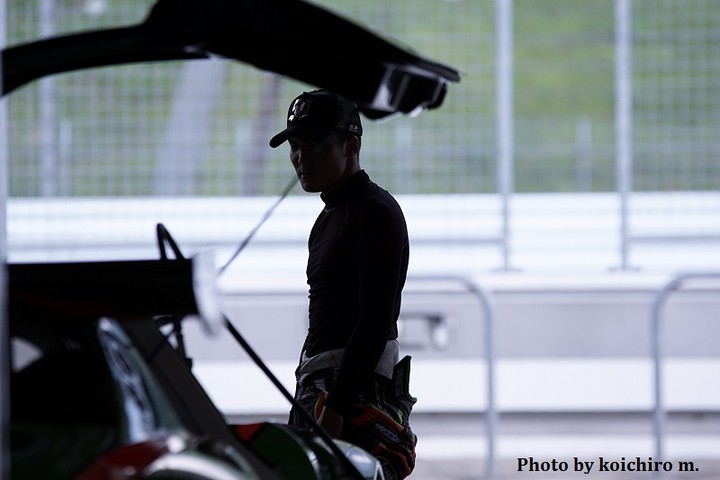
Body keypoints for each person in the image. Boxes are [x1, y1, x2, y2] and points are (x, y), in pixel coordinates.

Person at [269, 89, 417, 479]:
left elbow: (375, 322)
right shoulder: (331, 215)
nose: (301, 158)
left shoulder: (374, 212)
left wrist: (335, 408)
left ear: (352, 145)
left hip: (350, 399)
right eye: (295, 147)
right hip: (325, 392)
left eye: (315, 146)